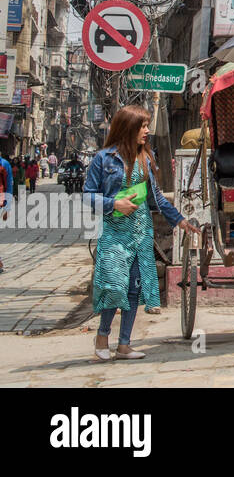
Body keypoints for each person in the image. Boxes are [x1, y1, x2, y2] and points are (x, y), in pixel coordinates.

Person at [84, 105, 200, 361]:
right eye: (143, 126)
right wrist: (114, 204)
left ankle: (124, 344)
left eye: (147, 126)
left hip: (140, 233)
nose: (147, 131)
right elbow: (88, 196)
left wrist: (179, 221)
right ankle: (103, 336)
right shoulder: (103, 160)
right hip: (114, 233)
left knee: (133, 290)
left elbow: (156, 197)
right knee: (114, 286)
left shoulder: (146, 158)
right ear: (128, 128)